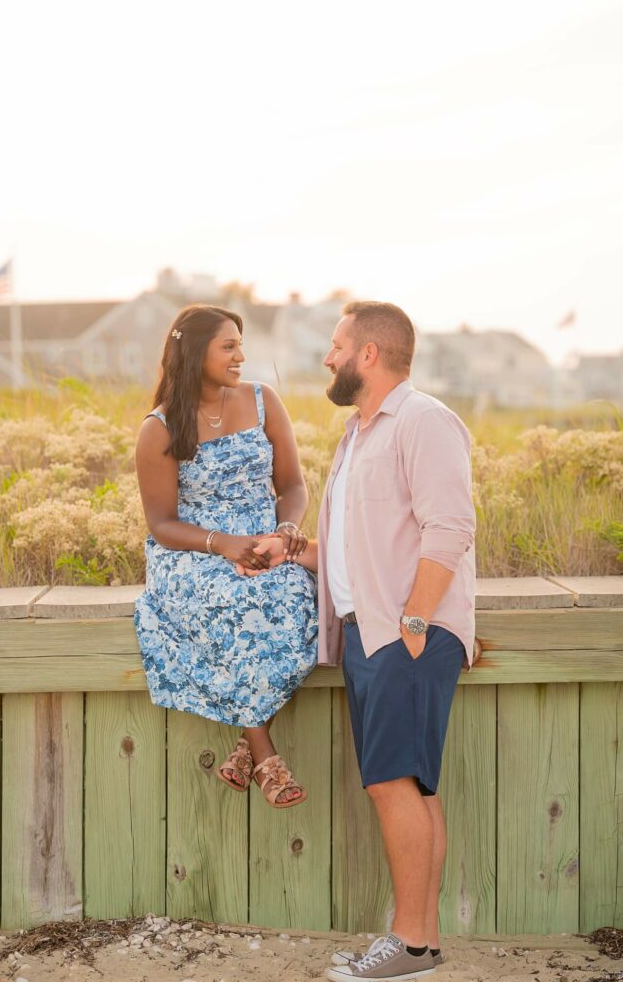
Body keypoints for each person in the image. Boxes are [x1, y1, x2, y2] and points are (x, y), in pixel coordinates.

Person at [249, 300, 476, 979]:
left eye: (336, 344)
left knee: (389, 785)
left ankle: (406, 944)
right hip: (368, 635)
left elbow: (449, 528)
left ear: (368, 355)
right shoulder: (358, 434)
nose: (326, 356)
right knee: (410, 787)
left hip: (402, 637)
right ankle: (423, 944)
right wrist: (294, 554)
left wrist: (411, 623)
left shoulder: (422, 421)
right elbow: (359, 546)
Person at [134, 304, 318, 808]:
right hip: (193, 552)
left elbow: (293, 485)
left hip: (263, 544)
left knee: (300, 598)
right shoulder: (160, 428)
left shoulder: (263, 401)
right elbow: (162, 524)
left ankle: (243, 747)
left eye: (241, 344)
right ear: (195, 352)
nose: (242, 355)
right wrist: (223, 543)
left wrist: (283, 531)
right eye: (229, 346)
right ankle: (264, 753)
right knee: (238, 602)